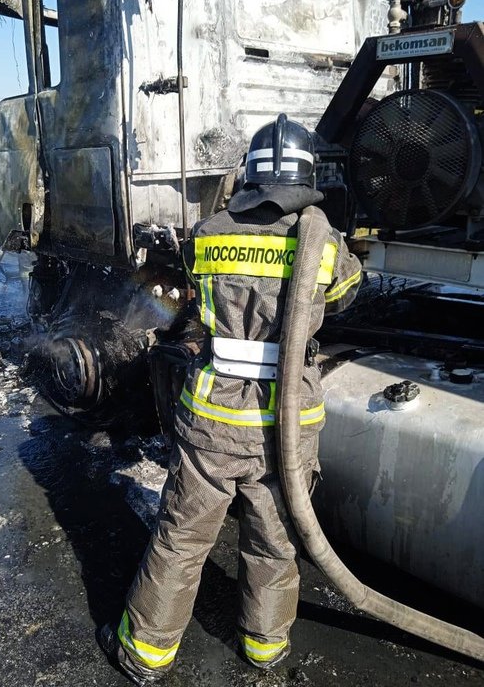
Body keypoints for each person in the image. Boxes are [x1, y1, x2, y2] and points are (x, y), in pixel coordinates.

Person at [100, 114, 362, 685]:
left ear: (250, 174)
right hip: (287, 424)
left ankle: (145, 651)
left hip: (215, 417)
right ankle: (264, 647)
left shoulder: (210, 232)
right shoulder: (325, 244)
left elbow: (189, 299)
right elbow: (344, 297)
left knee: (183, 536)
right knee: (275, 540)